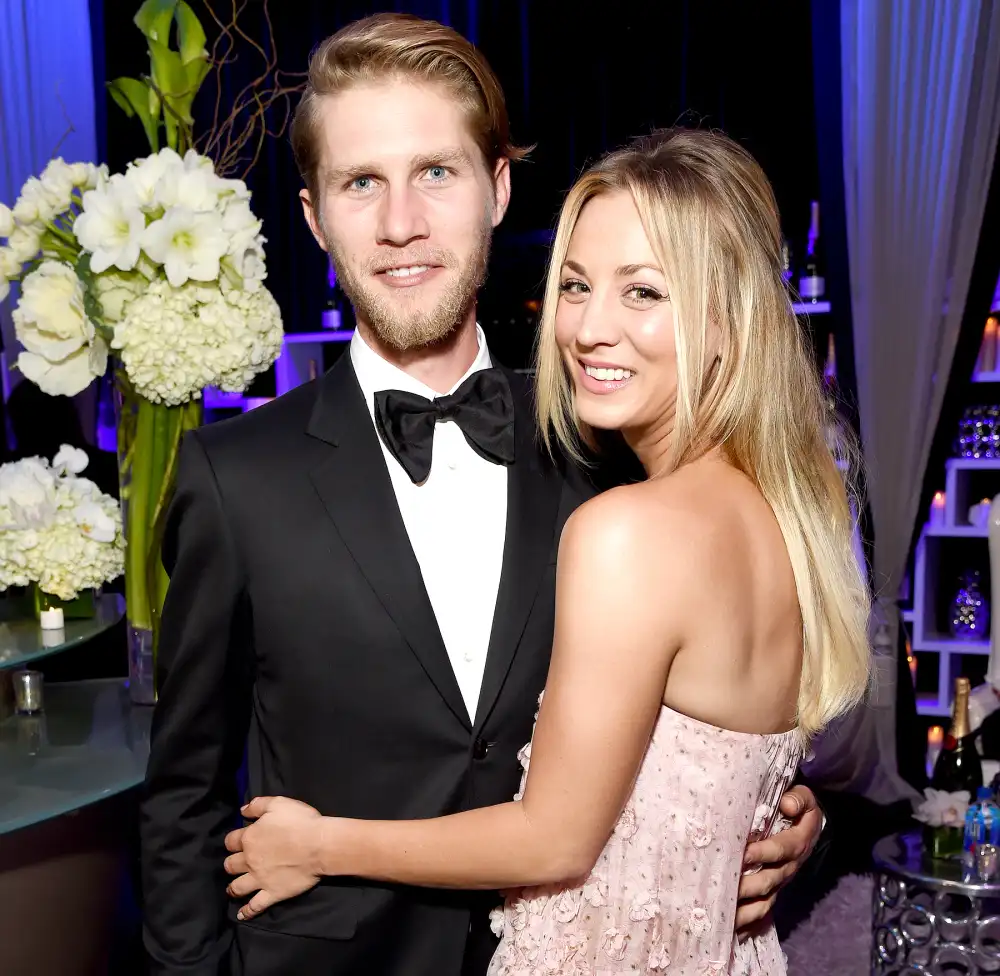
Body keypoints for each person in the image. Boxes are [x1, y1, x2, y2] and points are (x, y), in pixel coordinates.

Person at [141, 14, 826, 976]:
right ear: (313, 216)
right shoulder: (235, 477)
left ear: (498, 188)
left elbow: (713, 702)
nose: (401, 224)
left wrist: (777, 812)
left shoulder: (608, 440)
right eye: (360, 182)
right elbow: (183, 796)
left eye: (436, 172)